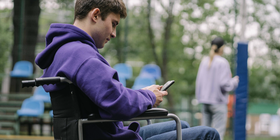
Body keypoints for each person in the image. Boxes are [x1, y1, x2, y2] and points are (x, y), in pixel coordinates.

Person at [35, 0, 220, 139]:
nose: (114, 34)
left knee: (184, 125)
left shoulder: (66, 50)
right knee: (208, 134)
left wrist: (141, 93)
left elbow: (105, 96)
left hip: (102, 131)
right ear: (95, 15)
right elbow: (117, 103)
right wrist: (148, 97)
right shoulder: (82, 55)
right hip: (108, 136)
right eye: (113, 23)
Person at [195, 37, 239, 140]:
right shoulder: (222, 62)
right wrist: (234, 81)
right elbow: (224, 85)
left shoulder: (204, 61)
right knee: (218, 134)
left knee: (204, 134)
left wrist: (200, 98)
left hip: (205, 101)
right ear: (222, 48)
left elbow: (199, 82)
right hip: (218, 103)